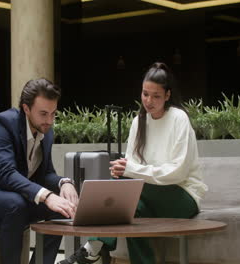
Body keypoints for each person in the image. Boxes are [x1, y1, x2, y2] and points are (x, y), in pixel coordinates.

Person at [59, 62, 208, 264]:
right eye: (145, 94)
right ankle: (96, 251)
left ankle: (91, 249)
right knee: (133, 209)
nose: (149, 100)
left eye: (156, 96)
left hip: (182, 195)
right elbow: (131, 168)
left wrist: (130, 170)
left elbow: (178, 173)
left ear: (167, 95)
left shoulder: (179, 118)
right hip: (148, 196)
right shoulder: (139, 122)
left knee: (124, 189)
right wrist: (124, 170)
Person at [0, 78, 79, 264]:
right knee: (16, 204)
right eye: (43, 113)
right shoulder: (3, 124)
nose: (49, 121)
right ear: (26, 109)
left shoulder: (46, 131)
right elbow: (5, 173)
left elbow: (45, 173)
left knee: (62, 209)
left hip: (11, 193)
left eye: (53, 113)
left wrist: (64, 183)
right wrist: (47, 196)